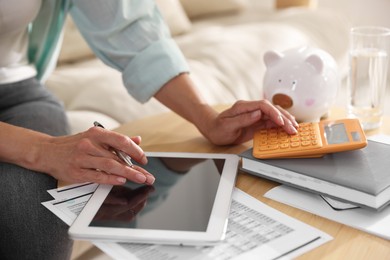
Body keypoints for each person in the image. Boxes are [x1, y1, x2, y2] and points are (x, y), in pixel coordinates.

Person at [0, 0, 299, 259]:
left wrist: (207, 118)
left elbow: (126, 23)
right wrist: (41, 149)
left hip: (14, 88)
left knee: (31, 233)